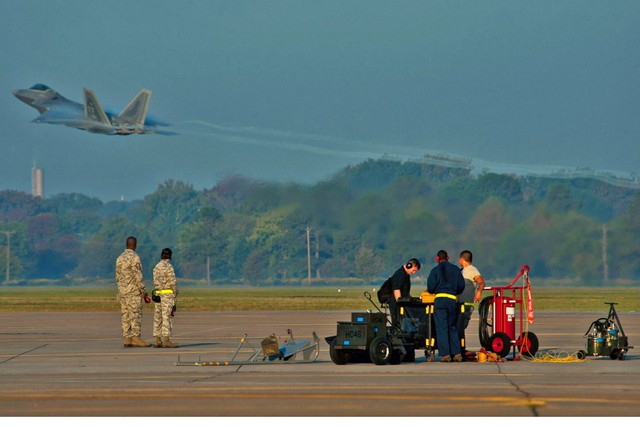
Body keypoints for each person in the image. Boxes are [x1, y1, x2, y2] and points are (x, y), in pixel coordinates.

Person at [427, 250, 466, 362]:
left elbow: (430, 288)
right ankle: (457, 353)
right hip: (452, 299)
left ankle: (445, 354)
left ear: (437, 259)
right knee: (452, 327)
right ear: (448, 257)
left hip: (440, 299)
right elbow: (461, 286)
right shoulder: (455, 270)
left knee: (442, 327)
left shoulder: (434, 271)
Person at [115, 236, 152, 347]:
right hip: (133, 291)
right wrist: (143, 290)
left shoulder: (120, 258)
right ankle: (136, 337)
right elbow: (138, 275)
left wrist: (121, 287)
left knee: (125, 314)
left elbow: (117, 275)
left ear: (126, 245)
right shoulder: (135, 257)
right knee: (135, 314)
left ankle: (127, 338)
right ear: (134, 245)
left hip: (122, 291)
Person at [457, 250, 486, 355]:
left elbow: (481, 282)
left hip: (466, 305)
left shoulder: (472, 270)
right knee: (458, 328)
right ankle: (459, 349)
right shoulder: (462, 271)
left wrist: (478, 292)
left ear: (462, 259)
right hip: (459, 304)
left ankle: (460, 350)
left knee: (460, 327)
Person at [152, 248, 178, 348]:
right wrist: (175, 293)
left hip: (158, 294)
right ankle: (166, 340)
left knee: (158, 317)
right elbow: (172, 282)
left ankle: (157, 340)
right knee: (167, 317)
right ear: (170, 256)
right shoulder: (169, 267)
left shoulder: (156, 267)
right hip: (167, 294)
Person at [386, 258, 421, 329]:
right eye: (413, 270)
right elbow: (396, 289)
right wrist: (400, 303)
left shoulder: (406, 275)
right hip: (396, 304)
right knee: (397, 323)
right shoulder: (400, 274)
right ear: (409, 265)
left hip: (402, 303)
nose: (413, 272)